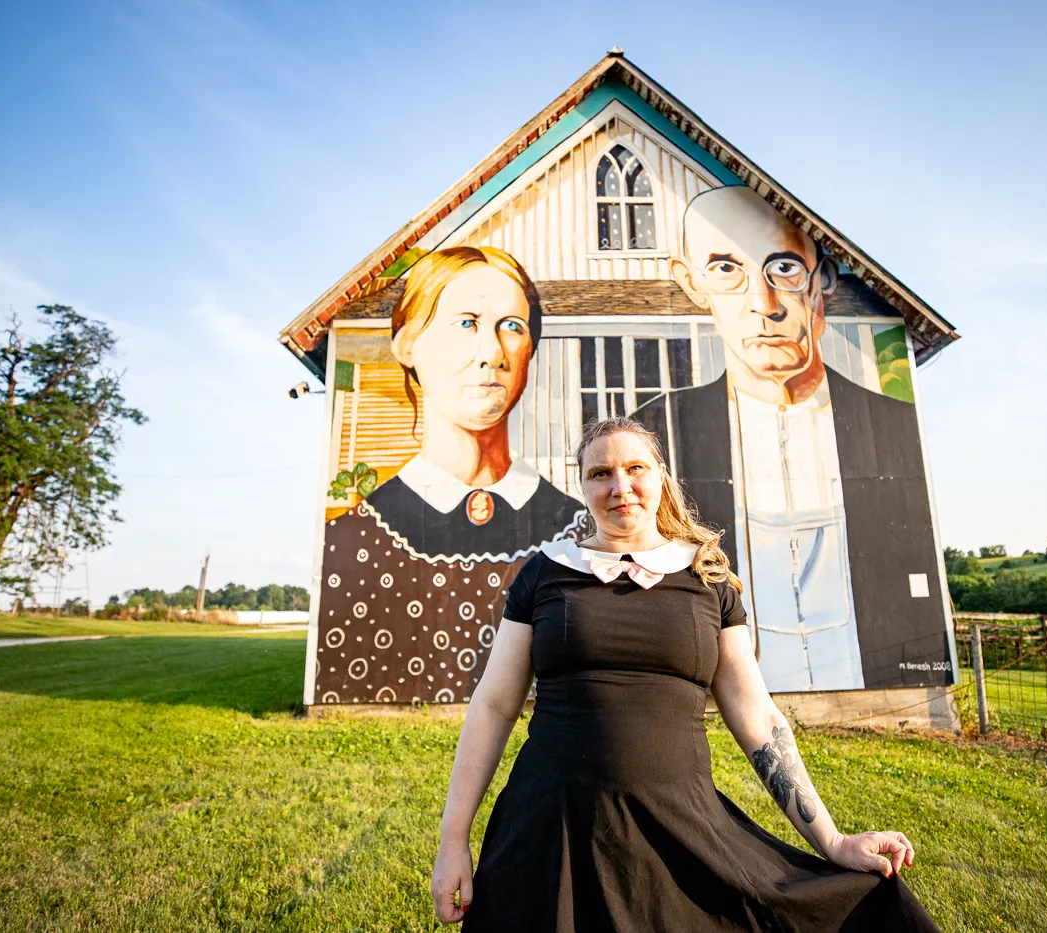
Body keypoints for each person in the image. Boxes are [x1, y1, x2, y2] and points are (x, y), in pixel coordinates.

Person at [430, 416, 940, 931]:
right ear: (580, 484)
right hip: (549, 832)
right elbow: (494, 706)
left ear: (661, 476)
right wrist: (454, 840)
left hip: (682, 829)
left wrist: (832, 840)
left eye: (635, 468)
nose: (620, 486)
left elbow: (758, 717)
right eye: (601, 473)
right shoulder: (543, 573)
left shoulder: (707, 578)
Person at [632, 185, 945, 692]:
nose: (764, 304)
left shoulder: (883, 425)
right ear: (691, 284)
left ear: (821, 280)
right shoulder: (654, 432)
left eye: (783, 268)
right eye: (726, 270)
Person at [362, 245, 582, 561]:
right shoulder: (358, 538)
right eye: (466, 323)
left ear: (530, 349)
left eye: (512, 326)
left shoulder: (577, 532)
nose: (492, 353)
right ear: (407, 344)